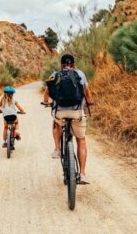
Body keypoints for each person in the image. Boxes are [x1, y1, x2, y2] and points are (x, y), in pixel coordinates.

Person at [42, 54, 94, 185]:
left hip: (60, 112)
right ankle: (82, 174)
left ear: (61, 65)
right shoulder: (80, 74)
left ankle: (57, 149)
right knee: (81, 140)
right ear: (74, 65)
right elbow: (86, 91)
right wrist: (90, 102)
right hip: (77, 112)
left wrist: (46, 102)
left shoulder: (55, 74)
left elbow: (47, 92)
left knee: (56, 122)